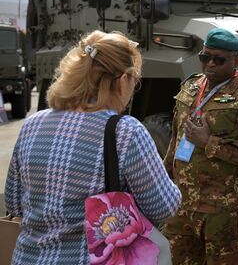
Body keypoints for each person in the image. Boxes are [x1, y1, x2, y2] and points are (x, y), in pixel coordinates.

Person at [4, 30, 181, 264]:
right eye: (134, 80)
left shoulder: (33, 124)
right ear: (120, 81)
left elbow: (14, 202)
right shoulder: (126, 132)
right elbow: (163, 207)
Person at [163, 27, 238, 265]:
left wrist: (209, 142)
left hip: (221, 210)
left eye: (219, 59)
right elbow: (175, 139)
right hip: (181, 205)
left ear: (237, 62)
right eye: (205, 57)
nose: (210, 64)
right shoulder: (190, 87)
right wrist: (163, 182)